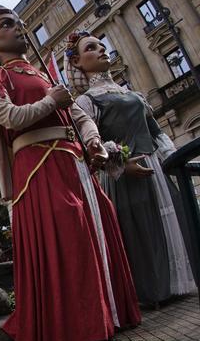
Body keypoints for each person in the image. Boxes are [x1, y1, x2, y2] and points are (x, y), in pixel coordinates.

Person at [0, 1, 140, 341]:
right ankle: (76, 326)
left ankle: (111, 313)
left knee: (101, 218)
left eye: (19, 22)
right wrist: (51, 101)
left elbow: (79, 115)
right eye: (7, 24)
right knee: (69, 225)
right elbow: (11, 118)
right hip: (37, 165)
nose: (18, 28)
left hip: (74, 162)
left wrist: (94, 141)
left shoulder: (43, 75)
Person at [68, 31, 196, 306]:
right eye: (92, 48)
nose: (102, 50)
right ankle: (149, 290)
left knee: (172, 218)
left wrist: (176, 160)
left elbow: (156, 132)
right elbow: (91, 144)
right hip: (122, 174)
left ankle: (178, 282)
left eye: (103, 45)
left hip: (156, 167)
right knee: (139, 228)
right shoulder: (86, 101)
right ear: (77, 62)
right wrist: (120, 164)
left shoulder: (133, 94)